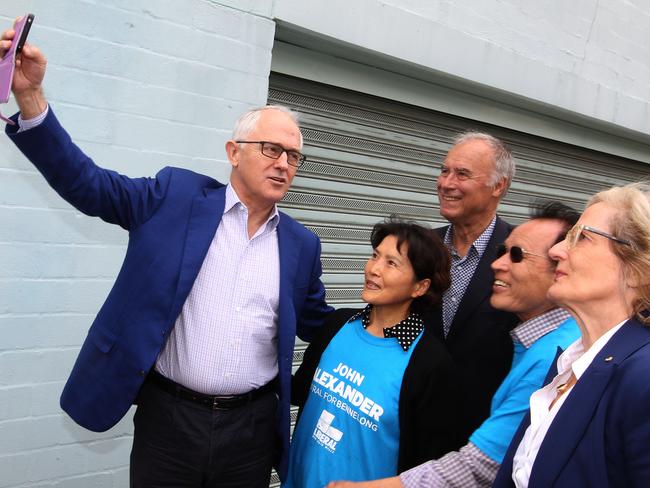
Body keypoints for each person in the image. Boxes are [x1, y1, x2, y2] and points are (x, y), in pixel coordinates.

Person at [1, 22, 332, 486]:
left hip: (250, 430)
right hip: (169, 421)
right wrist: (32, 97)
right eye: (271, 149)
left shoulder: (301, 244)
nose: (284, 163)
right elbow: (89, 185)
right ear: (234, 152)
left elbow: (320, 321)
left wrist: (397, 319)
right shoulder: (173, 197)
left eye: (294, 156)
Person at [326, 202, 582, 488]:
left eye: (517, 255)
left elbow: (483, 464)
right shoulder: (342, 325)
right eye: (500, 252)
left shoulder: (557, 359)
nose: (496, 264)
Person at [493, 182, 650, 487]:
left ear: (636, 268)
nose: (556, 251)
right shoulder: (569, 362)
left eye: (581, 237)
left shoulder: (643, 377)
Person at [285, 219, 460, 487]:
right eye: (375, 256)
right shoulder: (336, 325)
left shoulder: (430, 363)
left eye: (392, 263)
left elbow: (428, 464)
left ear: (420, 287)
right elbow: (298, 391)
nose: (373, 269)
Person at [427, 132, 519, 443]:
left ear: (498, 186)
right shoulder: (421, 247)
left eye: (462, 174)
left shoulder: (521, 255)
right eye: (444, 170)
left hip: (483, 435)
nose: (446, 183)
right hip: (410, 428)